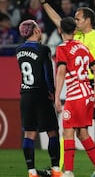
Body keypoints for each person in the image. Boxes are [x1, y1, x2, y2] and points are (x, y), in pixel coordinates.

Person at [39, 0, 95, 171]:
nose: (75, 21)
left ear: (87, 20)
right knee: (78, 131)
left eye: (78, 18)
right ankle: (63, 169)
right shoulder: (76, 37)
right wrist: (44, 3)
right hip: (81, 87)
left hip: (91, 85)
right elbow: (59, 21)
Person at [54, 17, 95, 177]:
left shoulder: (62, 48)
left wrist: (57, 97)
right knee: (82, 132)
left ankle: (69, 172)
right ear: (75, 31)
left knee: (68, 131)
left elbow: (61, 72)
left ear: (59, 31)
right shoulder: (83, 47)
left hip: (75, 94)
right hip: (87, 93)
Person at [16, 19, 61, 177]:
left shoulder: (19, 50)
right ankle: (55, 169)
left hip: (25, 95)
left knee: (29, 134)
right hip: (41, 95)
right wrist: (52, 92)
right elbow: (48, 73)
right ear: (35, 31)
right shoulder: (43, 49)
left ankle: (32, 172)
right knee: (52, 132)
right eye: (38, 28)